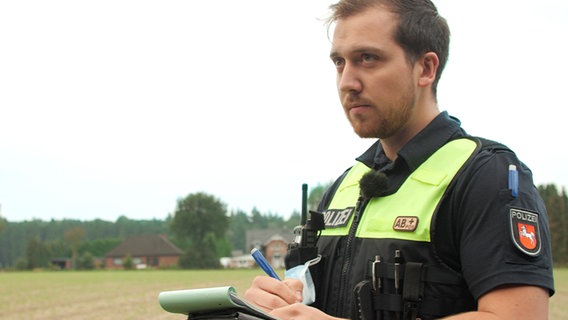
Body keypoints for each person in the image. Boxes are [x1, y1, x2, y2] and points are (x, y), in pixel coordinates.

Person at [244, 0, 555, 319]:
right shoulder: (345, 186)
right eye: (340, 62)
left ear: (426, 68)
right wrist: (277, 304)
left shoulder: (485, 176)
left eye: (368, 58)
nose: (347, 82)